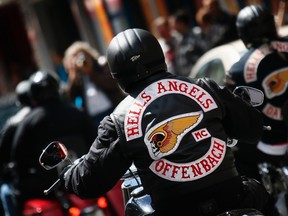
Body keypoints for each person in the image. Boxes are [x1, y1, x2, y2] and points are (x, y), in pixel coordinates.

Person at [59, 28, 278, 216]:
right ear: (158, 55)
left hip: (175, 210)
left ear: (117, 72)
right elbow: (252, 129)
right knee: (262, 196)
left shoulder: (118, 120)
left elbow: (88, 182)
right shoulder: (204, 87)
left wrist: (68, 174)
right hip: (232, 199)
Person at [8, 70, 98, 214]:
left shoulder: (28, 123)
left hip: (52, 188)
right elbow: (97, 144)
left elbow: (19, 161)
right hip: (85, 180)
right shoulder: (76, 113)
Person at [227, 4, 288, 182]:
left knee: (239, 158)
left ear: (243, 33)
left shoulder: (238, 70)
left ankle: (268, 205)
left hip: (277, 141)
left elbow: (236, 113)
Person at [63, 41, 126, 127]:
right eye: (75, 58)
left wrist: (90, 72)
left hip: (113, 110)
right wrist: (72, 74)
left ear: (88, 54)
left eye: (81, 56)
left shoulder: (101, 65)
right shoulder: (77, 76)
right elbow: (69, 97)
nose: (80, 60)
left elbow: (111, 84)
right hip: (94, 118)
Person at [0, 79, 33, 216]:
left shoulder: (13, 125)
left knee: (6, 191)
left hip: (33, 181)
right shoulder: (69, 112)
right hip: (62, 176)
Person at [169, 10, 204, 77]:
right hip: (186, 79)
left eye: (173, 23)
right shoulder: (177, 40)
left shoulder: (197, 34)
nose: (172, 27)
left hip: (199, 75)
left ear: (181, 23)